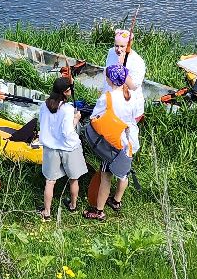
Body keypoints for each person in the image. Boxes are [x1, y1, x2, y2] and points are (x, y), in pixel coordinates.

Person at [82, 64, 144, 220]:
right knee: (123, 173)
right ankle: (116, 201)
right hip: (130, 142)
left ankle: (99, 211)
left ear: (109, 80)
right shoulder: (132, 96)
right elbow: (136, 117)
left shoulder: (107, 97)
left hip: (113, 144)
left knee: (105, 176)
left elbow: (94, 117)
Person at [36, 76, 87, 220]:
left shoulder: (44, 105)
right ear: (65, 92)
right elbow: (67, 132)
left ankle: (46, 212)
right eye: (69, 89)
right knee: (73, 178)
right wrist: (76, 119)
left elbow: (43, 123)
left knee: (50, 181)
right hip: (69, 147)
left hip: (50, 148)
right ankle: (73, 205)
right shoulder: (68, 109)